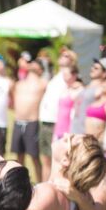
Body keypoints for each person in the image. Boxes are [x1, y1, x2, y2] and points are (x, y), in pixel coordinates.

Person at [39, 49, 77, 182]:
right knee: (45, 158)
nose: (62, 56)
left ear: (72, 60)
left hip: (56, 124)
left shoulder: (70, 78)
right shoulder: (56, 76)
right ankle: (44, 186)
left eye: (67, 55)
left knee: (57, 160)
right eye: (62, 54)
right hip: (45, 120)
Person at [12, 58, 47, 181]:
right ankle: (20, 184)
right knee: (19, 157)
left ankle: (40, 184)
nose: (32, 64)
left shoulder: (43, 83)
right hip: (18, 122)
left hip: (32, 123)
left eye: (36, 63)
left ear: (41, 69)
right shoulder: (19, 83)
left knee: (35, 157)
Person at [71, 58, 106, 135]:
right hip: (74, 131)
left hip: (85, 134)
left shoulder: (102, 90)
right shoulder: (86, 87)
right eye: (93, 67)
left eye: (96, 68)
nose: (92, 69)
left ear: (105, 73)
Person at [53, 65, 83, 140]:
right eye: (63, 75)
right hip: (59, 128)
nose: (64, 77)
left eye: (66, 74)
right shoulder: (64, 88)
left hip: (70, 129)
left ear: (74, 75)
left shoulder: (79, 90)